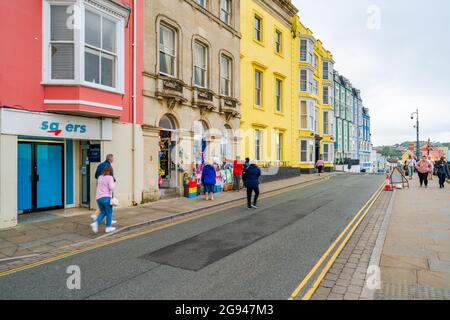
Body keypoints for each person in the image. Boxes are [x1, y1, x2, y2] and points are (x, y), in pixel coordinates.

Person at [91, 154, 116, 225]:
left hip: (99, 186)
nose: (113, 160)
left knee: (103, 206)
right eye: (113, 158)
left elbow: (96, 175)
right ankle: (108, 221)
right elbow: (111, 178)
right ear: (110, 159)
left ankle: (98, 217)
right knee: (109, 204)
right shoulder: (109, 166)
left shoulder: (100, 165)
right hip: (107, 188)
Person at [90, 166, 116, 234]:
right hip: (106, 197)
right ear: (110, 171)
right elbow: (111, 187)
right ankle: (108, 227)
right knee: (109, 213)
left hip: (99, 198)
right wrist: (114, 184)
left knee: (103, 212)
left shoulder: (100, 177)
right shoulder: (110, 177)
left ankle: (95, 223)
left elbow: (97, 185)